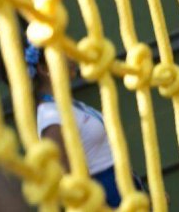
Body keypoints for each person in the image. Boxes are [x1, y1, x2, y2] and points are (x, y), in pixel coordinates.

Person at [23, 44, 142, 208]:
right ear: (44, 68)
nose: (72, 58)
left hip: (124, 187)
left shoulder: (67, 104)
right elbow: (67, 176)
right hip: (105, 196)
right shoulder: (51, 117)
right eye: (63, 53)